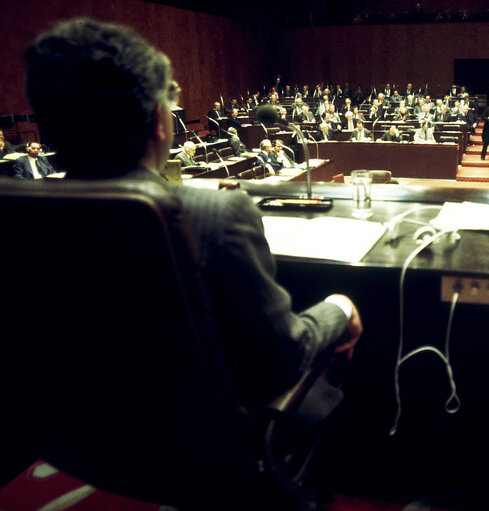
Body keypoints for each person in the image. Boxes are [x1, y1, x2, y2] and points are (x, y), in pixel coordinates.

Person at [15, 15, 367, 411]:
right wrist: (340, 308)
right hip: (215, 451)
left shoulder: (20, 220)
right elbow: (283, 361)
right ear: (158, 121)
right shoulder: (215, 216)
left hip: (84, 438)